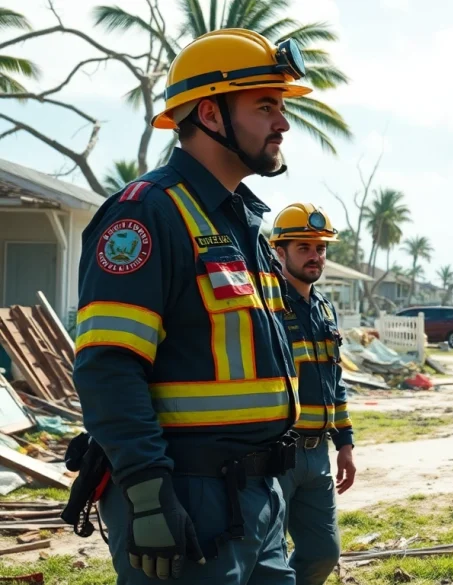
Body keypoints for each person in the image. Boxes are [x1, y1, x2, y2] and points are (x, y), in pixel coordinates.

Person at [72, 28, 314, 584]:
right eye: (265, 106)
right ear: (209, 114)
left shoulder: (244, 223)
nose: (282, 123)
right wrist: (150, 496)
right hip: (185, 496)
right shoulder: (145, 215)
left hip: (258, 496)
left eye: (280, 107)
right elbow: (108, 367)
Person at [269, 203, 356, 584]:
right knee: (266, 557)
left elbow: (333, 381)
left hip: (317, 453)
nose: (315, 256)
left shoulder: (323, 308)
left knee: (323, 553)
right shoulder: (265, 304)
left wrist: (346, 444)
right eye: (304, 247)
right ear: (279, 251)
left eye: (320, 248)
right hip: (274, 453)